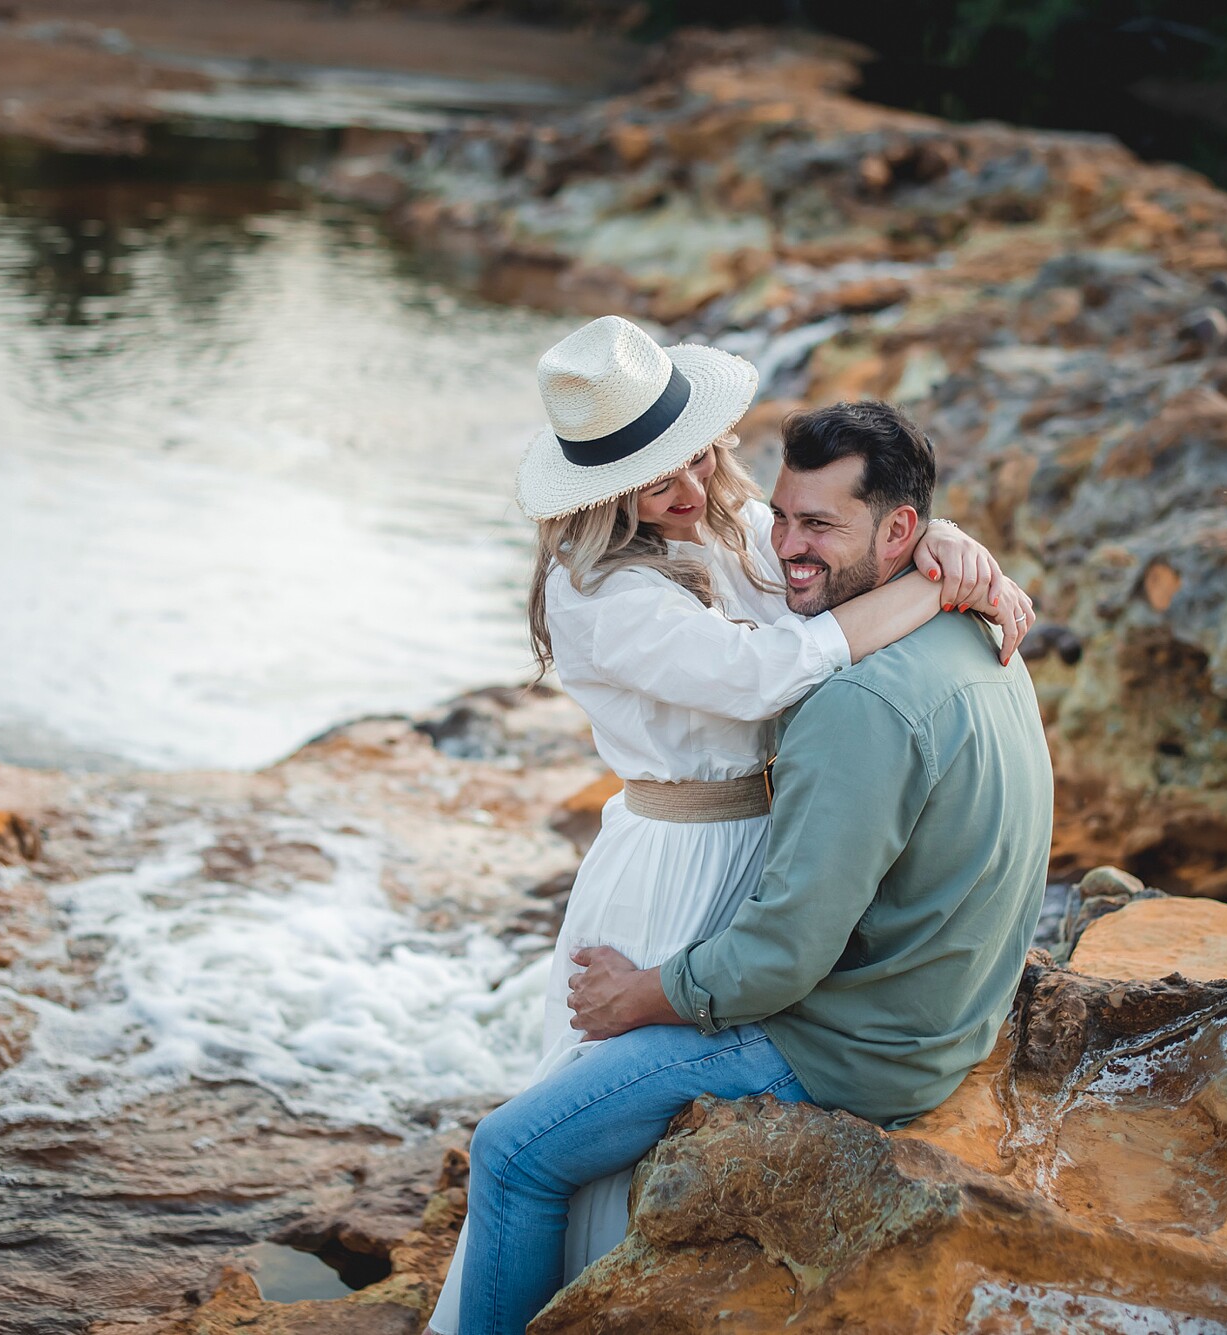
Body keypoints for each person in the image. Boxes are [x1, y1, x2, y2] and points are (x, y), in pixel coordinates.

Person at [430, 315, 1038, 1334]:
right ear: (594, 491)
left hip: (771, 843)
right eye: (649, 478)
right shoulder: (598, 595)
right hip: (674, 863)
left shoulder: (726, 515)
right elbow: (767, 672)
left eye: (693, 455)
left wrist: (942, 543)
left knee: (629, 1119)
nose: (687, 487)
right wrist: (936, 590)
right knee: (586, 1120)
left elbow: (834, 541)